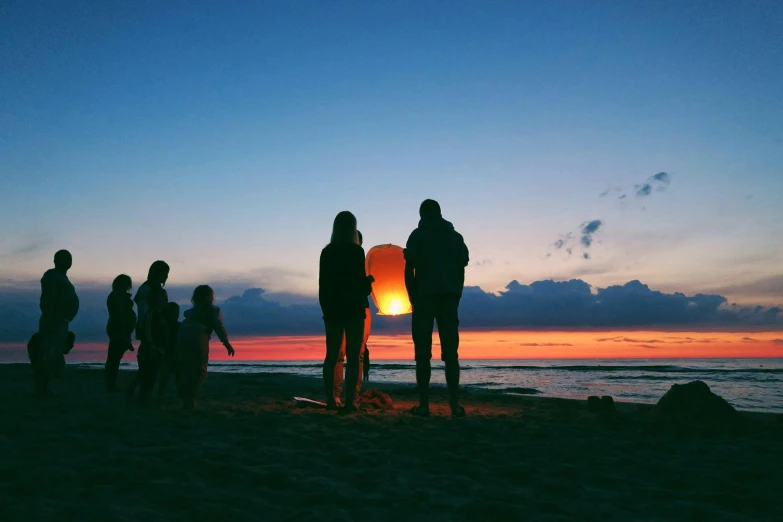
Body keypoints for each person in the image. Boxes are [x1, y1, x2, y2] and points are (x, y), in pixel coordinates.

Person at [404, 199, 469, 417]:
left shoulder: (418, 235)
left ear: (423, 214)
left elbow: (408, 270)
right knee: (451, 354)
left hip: (424, 299)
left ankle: (424, 405)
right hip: (448, 299)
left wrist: (412, 297)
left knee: (422, 354)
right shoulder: (455, 237)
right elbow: (461, 270)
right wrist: (456, 293)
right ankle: (454, 404)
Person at [319, 211, 373, 412]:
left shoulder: (327, 252)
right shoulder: (356, 252)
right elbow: (360, 285)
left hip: (332, 310)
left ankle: (331, 400)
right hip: (354, 309)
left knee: (332, 355)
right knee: (353, 355)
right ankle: (350, 401)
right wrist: (368, 283)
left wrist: (326, 308)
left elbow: (322, 285)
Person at [176, 285, 234, 410]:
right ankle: (190, 399)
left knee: (186, 366)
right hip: (198, 336)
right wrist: (226, 343)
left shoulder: (191, 312)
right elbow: (218, 326)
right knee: (199, 369)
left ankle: (185, 394)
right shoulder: (213, 310)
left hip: (181, 335)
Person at [334, 230, 373, 405]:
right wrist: (367, 283)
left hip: (354, 308)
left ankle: (346, 395)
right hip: (352, 308)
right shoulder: (336, 258)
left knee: (349, 353)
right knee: (347, 353)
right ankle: (345, 396)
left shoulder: (332, 257)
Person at [36, 250, 79, 397]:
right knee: (48, 354)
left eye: (69, 258)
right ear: (55, 260)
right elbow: (48, 299)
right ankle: (42, 388)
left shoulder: (63, 278)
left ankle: (44, 387)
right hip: (53, 321)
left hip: (61, 321)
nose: (68, 261)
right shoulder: (52, 276)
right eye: (65, 258)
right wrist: (52, 319)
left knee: (53, 355)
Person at [127, 285, 169, 406]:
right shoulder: (151, 314)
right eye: (163, 298)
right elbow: (147, 332)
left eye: (166, 298)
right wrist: (151, 346)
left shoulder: (161, 315)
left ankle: (139, 394)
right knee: (148, 375)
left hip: (157, 350)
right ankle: (143, 398)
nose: (165, 300)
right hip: (149, 350)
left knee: (149, 374)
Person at [104, 274, 136, 392]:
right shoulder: (116, 296)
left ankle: (111, 383)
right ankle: (110, 384)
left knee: (115, 357)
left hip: (122, 329)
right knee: (114, 358)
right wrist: (122, 332)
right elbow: (118, 315)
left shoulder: (119, 295)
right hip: (118, 329)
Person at [157, 302, 181, 398]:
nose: (176, 314)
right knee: (165, 377)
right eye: (173, 312)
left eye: (176, 312)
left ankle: (180, 395)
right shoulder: (163, 326)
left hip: (176, 354)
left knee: (178, 377)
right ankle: (161, 394)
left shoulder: (179, 326)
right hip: (167, 354)